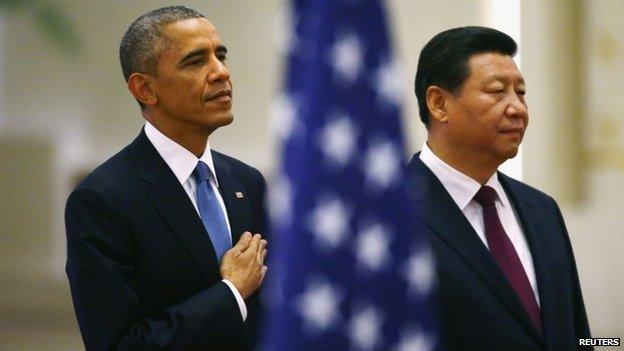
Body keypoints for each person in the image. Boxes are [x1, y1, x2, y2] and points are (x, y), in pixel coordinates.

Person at [65, 6, 268, 350]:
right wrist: (230, 293)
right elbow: (120, 345)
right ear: (144, 89)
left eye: (221, 56)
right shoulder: (102, 200)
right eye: (196, 61)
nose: (221, 72)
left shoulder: (247, 183)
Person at [406, 26, 591, 350]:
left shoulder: (541, 209)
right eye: (497, 91)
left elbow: (581, 336)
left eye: (520, 93)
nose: (518, 108)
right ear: (438, 104)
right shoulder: (394, 214)